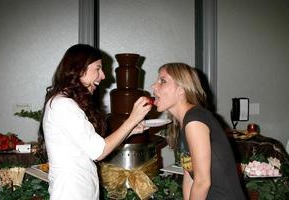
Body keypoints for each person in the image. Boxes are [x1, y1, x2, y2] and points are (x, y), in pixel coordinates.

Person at [42, 44, 152, 200]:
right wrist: (132, 119)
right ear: (80, 69)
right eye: (98, 69)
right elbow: (99, 151)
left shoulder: (64, 102)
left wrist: (130, 130)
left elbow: (91, 146)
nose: (103, 76)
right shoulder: (63, 105)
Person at [151, 63, 246, 200]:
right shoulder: (185, 122)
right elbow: (189, 175)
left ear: (181, 89)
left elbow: (202, 182)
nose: (154, 86)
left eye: (163, 81)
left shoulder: (194, 121)